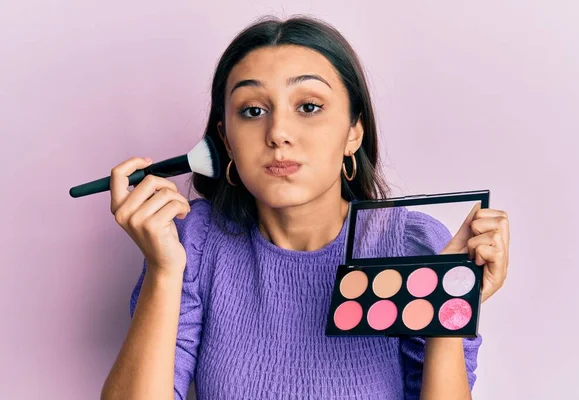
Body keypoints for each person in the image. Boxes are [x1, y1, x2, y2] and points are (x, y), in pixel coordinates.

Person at [101, 15, 510, 400]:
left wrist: (447, 311)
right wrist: (164, 270)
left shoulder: (412, 245)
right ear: (225, 140)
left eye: (309, 107)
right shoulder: (195, 243)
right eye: (253, 110)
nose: (278, 132)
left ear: (353, 133)